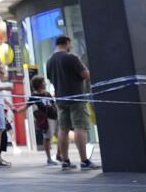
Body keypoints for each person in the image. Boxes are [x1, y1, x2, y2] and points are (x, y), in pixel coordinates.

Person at [45, 36, 95, 171]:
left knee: (63, 129)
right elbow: (85, 74)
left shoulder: (49, 61)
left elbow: (50, 78)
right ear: (67, 43)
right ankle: (84, 161)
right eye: (70, 44)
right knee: (80, 127)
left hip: (61, 99)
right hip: (76, 97)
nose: (70, 47)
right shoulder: (71, 58)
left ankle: (65, 161)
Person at [26, 75, 57, 166]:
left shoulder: (47, 93)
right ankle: (49, 158)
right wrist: (17, 110)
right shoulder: (34, 96)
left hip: (54, 117)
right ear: (39, 84)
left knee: (60, 136)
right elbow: (26, 106)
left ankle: (59, 155)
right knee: (47, 138)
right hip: (46, 119)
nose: (45, 83)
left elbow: (53, 104)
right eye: (43, 82)